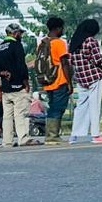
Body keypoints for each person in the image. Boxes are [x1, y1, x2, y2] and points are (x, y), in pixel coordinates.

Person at [0, 23, 41, 147]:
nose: (21, 35)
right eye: (20, 33)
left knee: (7, 116)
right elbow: (21, 66)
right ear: (15, 33)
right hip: (18, 86)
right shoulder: (16, 46)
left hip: (6, 88)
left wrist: (2, 73)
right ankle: (23, 138)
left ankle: (7, 141)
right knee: (21, 114)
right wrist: (26, 82)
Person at [68, 19, 102, 144]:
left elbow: (71, 62)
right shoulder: (91, 41)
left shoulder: (73, 42)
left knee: (81, 106)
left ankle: (74, 135)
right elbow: (97, 60)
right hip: (93, 77)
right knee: (95, 106)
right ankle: (96, 135)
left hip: (80, 78)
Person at [43, 17, 71, 146]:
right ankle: (53, 136)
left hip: (48, 81)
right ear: (58, 28)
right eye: (62, 28)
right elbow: (65, 63)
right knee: (58, 108)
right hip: (59, 80)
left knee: (52, 107)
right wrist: (69, 82)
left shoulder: (43, 42)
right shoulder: (59, 43)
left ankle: (50, 134)